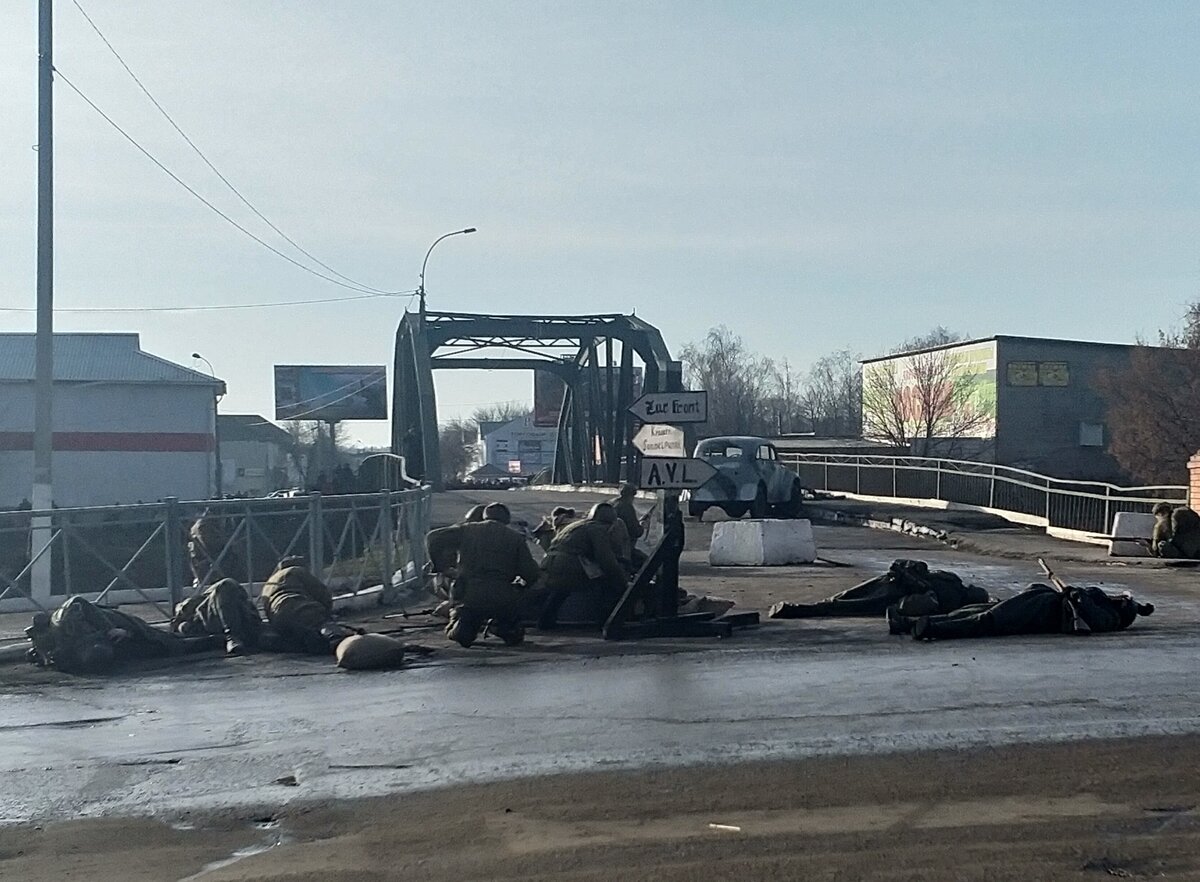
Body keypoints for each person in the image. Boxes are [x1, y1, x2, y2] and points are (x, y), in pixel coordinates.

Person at [425, 503, 541, 647]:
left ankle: (462, 625)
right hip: (502, 595)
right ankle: (503, 627)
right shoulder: (515, 538)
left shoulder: (466, 530)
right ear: (507, 519)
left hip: (468, 593)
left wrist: (440, 566)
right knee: (513, 632)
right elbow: (530, 573)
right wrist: (523, 587)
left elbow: (433, 537)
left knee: (462, 631)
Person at [895, 582, 1154, 641]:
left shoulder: (1112, 617)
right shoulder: (1106, 604)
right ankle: (909, 623)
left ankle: (931, 628)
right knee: (974, 610)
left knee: (987, 620)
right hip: (1041, 602)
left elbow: (1093, 619)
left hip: (1043, 612)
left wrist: (1079, 595)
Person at [26, 596, 212, 674]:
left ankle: (216, 637)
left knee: (170, 643)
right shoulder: (60, 649)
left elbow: (78, 602)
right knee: (163, 647)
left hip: (120, 626)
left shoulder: (61, 622)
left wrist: (109, 629)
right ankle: (202, 633)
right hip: (122, 641)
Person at [768, 559, 990, 619]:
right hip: (895, 591)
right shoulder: (952, 596)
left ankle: (793, 609)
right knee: (845, 605)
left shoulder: (952, 582)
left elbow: (924, 576)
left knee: (846, 600)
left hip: (894, 584)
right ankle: (792, 609)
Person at [537, 502, 629, 630]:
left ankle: (545, 622)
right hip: (570, 564)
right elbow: (606, 560)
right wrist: (622, 581)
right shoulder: (598, 529)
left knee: (560, 591)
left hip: (551, 563)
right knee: (606, 585)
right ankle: (605, 621)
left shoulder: (577, 525)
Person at [260, 556, 356, 654]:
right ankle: (337, 641)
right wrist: (325, 614)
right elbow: (322, 594)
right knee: (322, 625)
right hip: (299, 607)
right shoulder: (296, 570)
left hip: (278, 618)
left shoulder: (268, 584)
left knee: (304, 634)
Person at [171, 577, 263, 656]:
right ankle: (232, 636)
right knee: (226, 585)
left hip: (241, 617)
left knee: (227, 585)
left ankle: (234, 636)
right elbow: (179, 623)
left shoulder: (208, 597)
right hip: (229, 621)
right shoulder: (189, 609)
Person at [187, 510, 242, 587]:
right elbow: (210, 540)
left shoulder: (213, 521)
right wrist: (228, 542)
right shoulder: (203, 525)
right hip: (209, 563)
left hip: (214, 560)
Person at [613, 485, 649, 569]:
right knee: (647, 562)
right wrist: (642, 526)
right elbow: (635, 531)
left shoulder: (612, 503)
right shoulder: (626, 507)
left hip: (611, 546)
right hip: (623, 549)